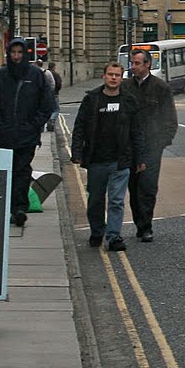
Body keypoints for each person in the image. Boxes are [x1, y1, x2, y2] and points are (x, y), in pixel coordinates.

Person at [70, 61, 146, 252]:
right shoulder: (92, 99)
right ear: (104, 76)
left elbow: (136, 131)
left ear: (122, 78)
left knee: (116, 201)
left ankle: (113, 237)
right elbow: (79, 127)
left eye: (117, 75)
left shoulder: (128, 101)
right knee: (95, 201)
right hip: (96, 160)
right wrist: (77, 152)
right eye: (110, 74)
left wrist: (140, 158)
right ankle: (97, 231)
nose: (113, 78)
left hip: (120, 160)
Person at [0, 38, 58, 228]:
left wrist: (34, 125)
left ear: (25, 54)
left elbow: (47, 103)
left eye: (19, 52)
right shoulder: (0, 75)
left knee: (22, 171)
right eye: (13, 52)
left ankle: (19, 209)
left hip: (27, 136)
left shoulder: (36, 75)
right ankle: (8, 207)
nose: (16, 56)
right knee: (7, 171)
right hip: (4, 135)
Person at [122, 48, 177, 243]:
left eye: (137, 63)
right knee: (133, 187)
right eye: (132, 63)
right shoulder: (125, 86)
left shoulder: (161, 87)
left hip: (152, 146)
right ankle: (139, 223)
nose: (133, 67)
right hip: (130, 146)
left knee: (148, 187)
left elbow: (170, 119)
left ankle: (146, 227)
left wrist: (161, 142)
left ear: (148, 65)